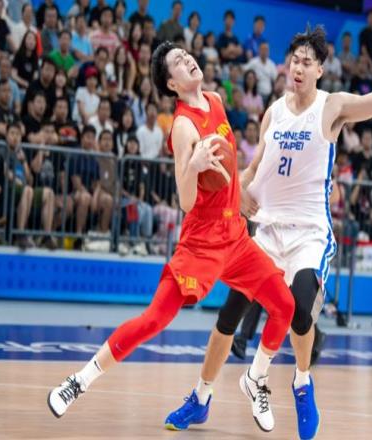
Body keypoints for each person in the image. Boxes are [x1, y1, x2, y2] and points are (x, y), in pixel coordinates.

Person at [171, 13, 372, 439]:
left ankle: (299, 382)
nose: (298, 67)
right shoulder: (273, 113)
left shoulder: (331, 107)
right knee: (229, 314)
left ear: (320, 69)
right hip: (267, 231)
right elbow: (253, 172)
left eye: (306, 62)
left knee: (300, 309)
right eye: (294, 60)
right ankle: (201, 397)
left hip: (309, 234)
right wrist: (229, 194)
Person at [47, 42, 295, 436]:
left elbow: (227, 169)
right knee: (154, 320)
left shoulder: (216, 100)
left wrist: (240, 190)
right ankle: (80, 380)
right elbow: (186, 200)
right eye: (178, 61)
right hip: (201, 243)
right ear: (171, 83)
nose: (188, 59)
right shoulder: (182, 126)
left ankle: (255, 379)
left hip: (235, 237)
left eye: (186, 54)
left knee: (284, 305)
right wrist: (193, 166)